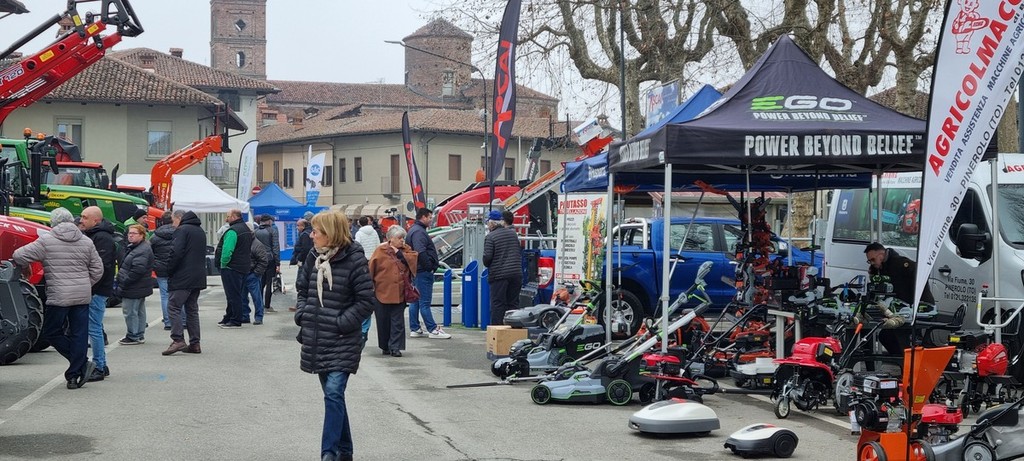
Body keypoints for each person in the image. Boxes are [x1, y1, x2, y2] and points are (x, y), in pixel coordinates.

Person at [294, 211, 375, 461]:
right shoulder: (313, 256)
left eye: (316, 231)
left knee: (333, 393)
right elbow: (302, 289)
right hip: (316, 337)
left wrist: (341, 323)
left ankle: (328, 453)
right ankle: (345, 451)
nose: (312, 235)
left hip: (343, 339)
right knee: (334, 398)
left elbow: (366, 301)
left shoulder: (355, 259)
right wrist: (303, 314)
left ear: (330, 233)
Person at [13, 208, 103, 389]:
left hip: (59, 296)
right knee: (79, 334)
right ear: (71, 221)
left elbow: (18, 255)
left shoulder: (47, 240)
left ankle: (81, 365)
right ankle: (74, 375)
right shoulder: (86, 241)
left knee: (51, 332)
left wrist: (26, 265)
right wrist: (85, 284)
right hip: (81, 295)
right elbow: (98, 269)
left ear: (52, 223)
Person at [860, 242, 936, 356]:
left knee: (898, 334)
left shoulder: (899, 263)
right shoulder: (883, 267)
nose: (872, 263)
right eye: (869, 261)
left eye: (873, 260)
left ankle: (906, 360)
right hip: (900, 309)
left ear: (881, 254)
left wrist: (912, 300)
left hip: (917, 307)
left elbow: (921, 273)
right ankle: (901, 360)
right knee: (885, 336)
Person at [162, 209, 207, 356]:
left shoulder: (182, 230)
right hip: (197, 276)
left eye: (174, 221)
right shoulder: (199, 231)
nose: (173, 224)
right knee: (192, 309)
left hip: (182, 276)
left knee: (173, 307)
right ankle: (195, 343)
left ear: (179, 218)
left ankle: (178, 339)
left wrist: (169, 269)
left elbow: (176, 252)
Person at [80, 205, 116, 382]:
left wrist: (90, 286)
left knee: (94, 329)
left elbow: (101, 266)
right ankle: (102, 364)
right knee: (95, 328)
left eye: (85, 217)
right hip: (96, 288)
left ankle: (99, 366)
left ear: (96, 220)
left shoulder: (101, 238)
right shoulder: (96, 236)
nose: (81, 220)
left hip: (97, 290)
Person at [369, 226, 417, 357]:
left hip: (400, 292)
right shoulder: (380, 251)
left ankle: (395, 347)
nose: (402, 240)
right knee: (383, 321)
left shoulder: (406, 250)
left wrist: (399, 253)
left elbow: (413, 261)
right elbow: (371, 269)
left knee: (398, 322)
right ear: (390, 239)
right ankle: (385, 346)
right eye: (399, 238)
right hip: (381, 292)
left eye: (403, 238)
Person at [405, 207, 450, 339]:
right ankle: (433, 329)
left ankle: (415, 328)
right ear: (423, 217)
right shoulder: (419, 232)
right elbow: (420, 251)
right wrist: (429, 267)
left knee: (415, 301)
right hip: (423, 271)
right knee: (424, 302)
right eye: (430, 217)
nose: (431, 220)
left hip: (416, 270)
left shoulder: (414, 230)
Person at [115, 224, 155, 345]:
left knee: (130, 311)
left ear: (142, 235)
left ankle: (133, 335)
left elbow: (138, 269)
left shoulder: (141, 250)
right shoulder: (138, 247)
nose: (130, 235)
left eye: (134, 233)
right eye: (129, 233)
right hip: (139, 285)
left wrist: (125, 281)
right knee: (139, 310)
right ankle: (139, 334)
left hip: (134, 286)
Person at [484, 209, 523, 325]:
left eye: (488, 222)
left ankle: (498, 329)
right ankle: (513, 329)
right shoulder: (513, 234)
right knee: (513, 303)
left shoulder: (491, 237)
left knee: (498, 304)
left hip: (499, 275)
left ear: (492, 223)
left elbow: (487, 258)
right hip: (516, 274)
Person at [215, 208, 253, 328]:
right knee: (237, 293)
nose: (226, 219)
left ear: (234, 217)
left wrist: (223, 263)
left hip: (231, 267)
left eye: (228, 216)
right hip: (243, 266)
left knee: (232, 295)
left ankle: (235, 319)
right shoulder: (246, 229)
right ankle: (229, 316)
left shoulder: (233, 231)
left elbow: (227, 251)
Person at [353, 215, 381, 345]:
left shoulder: (359, 233)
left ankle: (362, 330)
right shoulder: (374, 232)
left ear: (360, 223)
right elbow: (378, 245)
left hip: (363, 261)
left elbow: (357, 246)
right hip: (374, 260)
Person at [150, 211, 180, 330]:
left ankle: (168, 322)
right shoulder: (179, 233)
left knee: (165, 295)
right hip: (176, 268)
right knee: (179, 294)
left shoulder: (155, 236)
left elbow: (150, 252)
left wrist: (154, 264)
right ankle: (181, 320)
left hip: (161, 268)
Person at [254, 214, 281, 312]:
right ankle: (267, 305)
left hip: (258, 259)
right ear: (269, 221)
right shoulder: (272, 231)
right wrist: (278, 262)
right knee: (269, 282)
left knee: (260, 283)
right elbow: (275, 247)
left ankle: (259, 304)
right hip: (270, 259)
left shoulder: (255, 231)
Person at [244, 235, 271, 325]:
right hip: (244, 273)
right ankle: (245, 316)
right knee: (243, 296)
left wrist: (256, 273)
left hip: (252, 274)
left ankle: (259, 317)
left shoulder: (257, 244)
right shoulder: (246, 242)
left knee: (256, 297)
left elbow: (263, 260)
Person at [290, 218, 313, 312]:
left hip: (304, 262)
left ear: (303, 226)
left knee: (301, 282)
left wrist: (299, 259)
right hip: (308, 262)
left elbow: (305, 249)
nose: (297, 228)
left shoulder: (305, 235)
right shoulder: (309, 233)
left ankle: (300, 305)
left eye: (298, 226)